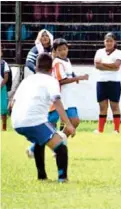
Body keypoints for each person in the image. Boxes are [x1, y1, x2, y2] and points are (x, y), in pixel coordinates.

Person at [11, 53, 76, 182]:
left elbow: (12, 102)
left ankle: (42, 177)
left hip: (16, 121)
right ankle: (63, 179)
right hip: (34, 121)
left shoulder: (27, 80)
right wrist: (68, 124)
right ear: (51, 69)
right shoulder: (51, 80)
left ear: (36, 67)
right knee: (61, 147)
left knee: (40, 141)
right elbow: (56, 101)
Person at [94, 33, 121, 134]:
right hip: (101, 82)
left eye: (111, 41)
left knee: (114, 106)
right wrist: (111, 66)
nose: (109, 43)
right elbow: (97, 66)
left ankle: (116, 129)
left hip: (114, 82)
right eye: (107, 41)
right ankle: (100, 129)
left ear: (115, 42)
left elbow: (117, 65)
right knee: (102, 107)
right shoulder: (99, 52)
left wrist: (102, 64)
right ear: (104, 41)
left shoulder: (118, 52)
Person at [1, 46, 10, 131]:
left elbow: (6, 77)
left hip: (2, 88)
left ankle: (4, 127)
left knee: (3, 108)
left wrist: (0, 85)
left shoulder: (4, 63)